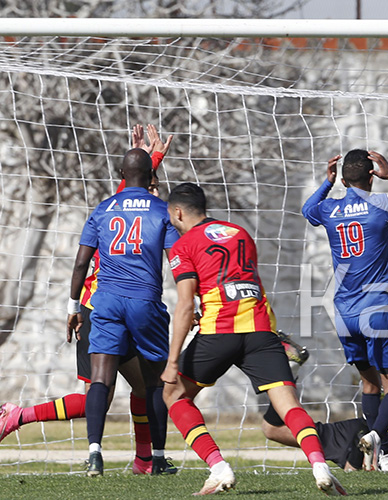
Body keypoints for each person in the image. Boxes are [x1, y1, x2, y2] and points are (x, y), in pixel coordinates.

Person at [0, 126, 178, 476]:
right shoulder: (128, 212)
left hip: (115, 306)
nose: (155, 191)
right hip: (97, 309)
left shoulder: (116, 210)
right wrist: (151, 161)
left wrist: (151, 161)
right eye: (153, 184)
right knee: (98, 396)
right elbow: (134, 193)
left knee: (141, 387)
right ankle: (18, 415)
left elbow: (132, 190)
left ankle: (145, 460)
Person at [161, 183, 345, 496]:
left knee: (174, 394)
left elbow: (185, 304)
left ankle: (218, 468)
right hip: (261, 331)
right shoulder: (240, 233)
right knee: (289, 406)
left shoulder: (183, 245)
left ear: (177, 213)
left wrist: (172, 360)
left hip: (219, 332)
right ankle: (319, 465)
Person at [301, 150, 388, 471]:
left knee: (369, 384)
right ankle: (377, 437)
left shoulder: (329, 208)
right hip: (378, 309)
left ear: (344, 180)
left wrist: (327, 183)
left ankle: (384, 456)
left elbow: (307, 210)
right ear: (372, 176)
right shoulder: (380, 204)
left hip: (345, 314)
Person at [63, 138, 180, 476]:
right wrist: (198, 299)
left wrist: (73, 306)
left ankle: (95, 454)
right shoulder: (161, 210)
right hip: (145, 302)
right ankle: (157, 457)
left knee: (100, 378)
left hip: (106, 303)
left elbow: (81, 263)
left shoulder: (103, 209)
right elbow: (178, 262)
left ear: (120, 173)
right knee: (155, 381)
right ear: (151, 176)